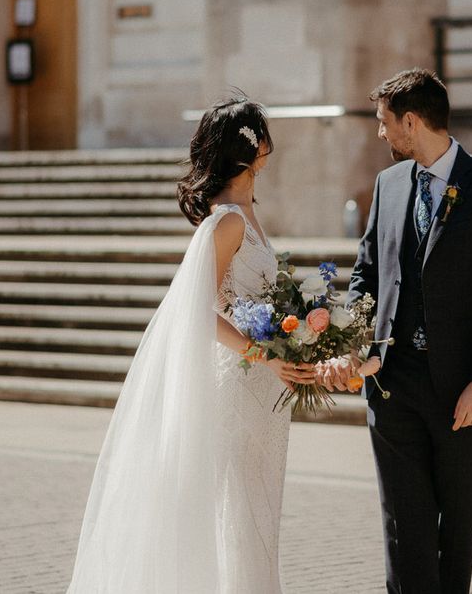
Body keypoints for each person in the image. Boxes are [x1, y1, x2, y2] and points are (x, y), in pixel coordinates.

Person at [65, 96, 315, 593]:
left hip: (264, 388)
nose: (270, 145)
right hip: (241, 387)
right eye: (264, 135)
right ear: (251, 148)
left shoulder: (246, 215)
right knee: (242, 511)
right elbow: (200, 313)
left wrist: (299, 339)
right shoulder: (226, 222)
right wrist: (266, 354)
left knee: (257, 510)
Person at [323, 68, 472, 593]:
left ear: (411, 122)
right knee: (402, 526)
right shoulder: (388, 185)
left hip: (463, 389)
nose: (381, 133)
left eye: (384, 123)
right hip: (392, 385)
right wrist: (355, 346)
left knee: (457, 524)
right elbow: (366, 272)